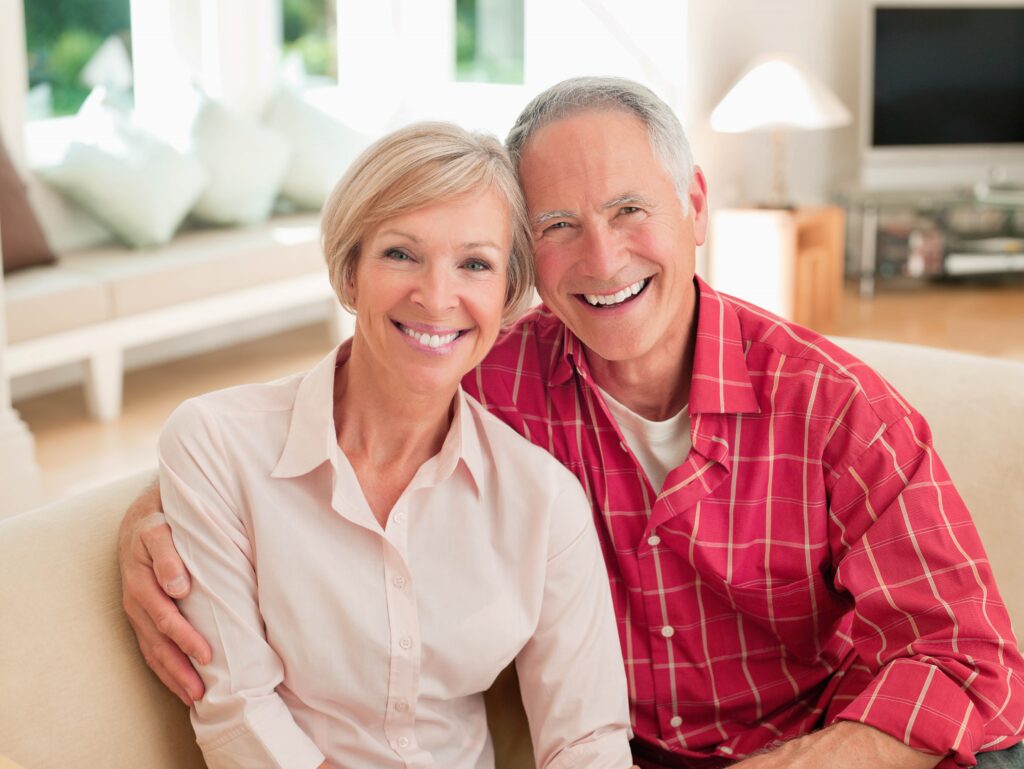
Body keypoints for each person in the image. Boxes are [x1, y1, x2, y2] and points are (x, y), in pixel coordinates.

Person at [120, 78, 1024, 769]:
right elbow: (322, 415)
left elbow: (971, 657)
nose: (602, 257)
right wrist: (143, 517)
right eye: (558, 223)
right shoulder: (492, 372)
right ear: (527, 262)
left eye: (630, 209)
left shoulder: (835, 404)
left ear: (696, 206)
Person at [150, 121, 634, 769]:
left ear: (507, 296)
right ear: (349, 274)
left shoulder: (544, 500)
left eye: (475, 264)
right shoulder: (217, 444)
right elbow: (240, 712)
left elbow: (586, 741)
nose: (437, 297)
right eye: (400, 254)